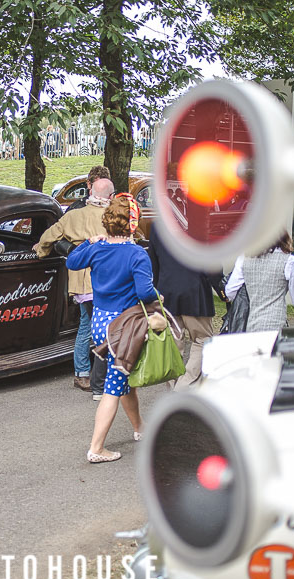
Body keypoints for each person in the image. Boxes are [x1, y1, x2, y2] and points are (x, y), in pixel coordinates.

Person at [67, 194, 155, 464]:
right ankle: (97, 448)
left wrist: (89, 241)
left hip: (100, 323)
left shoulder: (98, 248)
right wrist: (157, 296)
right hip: (124, 328)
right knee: (113, 387)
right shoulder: (137, 254)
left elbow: (72, 262)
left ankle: (140, 428)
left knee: (123, 378)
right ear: (132, 223)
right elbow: (145, 292)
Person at [35, 176, 115, 396]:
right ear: (110, 196)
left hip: (81, 280)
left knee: (86, 326)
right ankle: (97, 375)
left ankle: (82, 373)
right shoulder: (112, 216)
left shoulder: (74, 216)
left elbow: (47, 237)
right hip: (105, 280)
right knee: (101, 327)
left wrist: (40, 251)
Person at [150, 224, 227, 388]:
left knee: (172, 343)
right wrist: (222, 290)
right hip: (195, 291)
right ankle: (186, 384)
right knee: (203, 340)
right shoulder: (199, 224)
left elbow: (154, 262)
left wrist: (156, 292)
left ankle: (173, 385)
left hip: (166, 291)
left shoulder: (159, 226)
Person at [225, 232, 294, 332]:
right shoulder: (289, 261)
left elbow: (230, 291)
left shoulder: (244, 258)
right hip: (276, 326)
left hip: (252, 325)